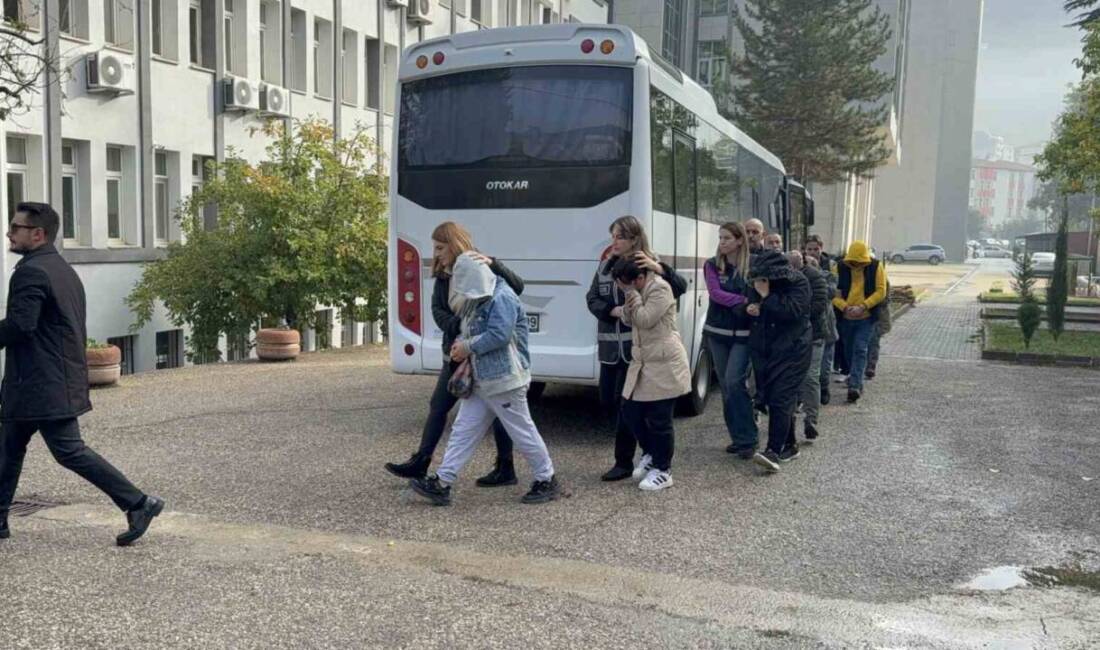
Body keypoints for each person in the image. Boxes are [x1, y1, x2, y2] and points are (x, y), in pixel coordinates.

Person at [0, 202, 164, 546]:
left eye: (16, 228)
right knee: (8, 447)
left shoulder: (31, 272)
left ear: (38, 234)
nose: (9, 233)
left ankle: (138, 502)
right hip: (48, 379)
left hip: (40, 383)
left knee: (69, 451)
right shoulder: (61, 268)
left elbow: (20, 325)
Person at [409, 253, 559, 506]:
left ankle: (547, 478)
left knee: (521, 432)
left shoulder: (503, 297)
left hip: (505, 381)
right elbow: (473, 329)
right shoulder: (483, 295)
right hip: (484, 380)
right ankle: (443, 481)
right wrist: (462, 344)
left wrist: (465, 346)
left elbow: (499, 335)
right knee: (463, 430)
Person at [385, 222, 522, 485]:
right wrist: (459, 326)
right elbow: (438, 310)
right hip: (455, 352)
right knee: (439, 406)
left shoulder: (480, 265)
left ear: (454, 244)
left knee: (501, 413)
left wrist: (495, 263)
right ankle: (422, 461)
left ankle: (507, 467)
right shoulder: (443, 274)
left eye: (440, 247)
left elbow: (517, 287)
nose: (436, 253)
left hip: (483, 353)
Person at [586, 216, 687, 482]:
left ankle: (628, 461)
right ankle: (647, 453)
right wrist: (610, 310)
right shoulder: (606, 265)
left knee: (630, 405)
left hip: (640, 349)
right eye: (613, 236)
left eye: (619, 236)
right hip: (611, 345)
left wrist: (660, 268)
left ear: (634, 238)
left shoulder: (649, 265)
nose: (614, 242)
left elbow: (678, 289)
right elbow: (592, 298)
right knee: (610, 402)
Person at [612, 257, 690, 491]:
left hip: (665, 362)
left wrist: (630, 295)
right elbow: (629, 318)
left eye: (628, 284)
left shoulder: (661, 288)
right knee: (630, 410)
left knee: (660, 419)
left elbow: (645, 319)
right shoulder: (635, 289)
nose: (626, 288)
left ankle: (663, 470)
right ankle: (651, 453)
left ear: (640, 277)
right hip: (643, 361)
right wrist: (629, 299)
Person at [745, 250, 812, 473]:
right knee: (776, 397)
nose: (761, 282)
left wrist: (766, 297)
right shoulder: (757, 282)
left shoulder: (799, 282)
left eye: (765, 278)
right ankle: (790, 445)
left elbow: (792, 311)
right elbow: (749, 303)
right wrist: (751, 307)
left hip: (794, 349)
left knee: (781, 398)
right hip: (767, 349)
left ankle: (772, 451)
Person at [702, 222, 758, 459]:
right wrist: (744, 301)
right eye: (720, 237)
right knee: (726, 387)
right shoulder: (712, 265)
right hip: (718, 332)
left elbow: (759, 293)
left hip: (744, 336)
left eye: (727, 238)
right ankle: (738, 437)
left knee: (735, 382)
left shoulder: (754, 265)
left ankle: (749, 437)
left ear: (739, 240)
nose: (722, 242)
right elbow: (716, 294)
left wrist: (749, 301)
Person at [833, 240, 887, 403]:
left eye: (859, 262)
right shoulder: (839, 268)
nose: (856, 265)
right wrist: (845, 307)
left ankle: (854, 386)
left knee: (860, 349)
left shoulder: (876, 266)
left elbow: (881, 290)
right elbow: (833, 292)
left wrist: (864, 306)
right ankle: (855, 378)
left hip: (867, 318)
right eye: (853, 262)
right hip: (846, 318)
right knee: (849, 351)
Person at [788, 251, 828, 442]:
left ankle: (811, 420)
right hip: (789, 337)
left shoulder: (815, 277)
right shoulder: (782, 275)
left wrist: (792, 312)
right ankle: (789, 420)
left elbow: (818, 305)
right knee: (790, 380)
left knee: (811, 378)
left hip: (813, 335)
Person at [803, 235, 838, 405]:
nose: (812, 252)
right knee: (811, 370)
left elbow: (831, 292)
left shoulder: (830, 268)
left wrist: (816, 275)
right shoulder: (801, 269)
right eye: (809, 249)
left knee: (824, 368)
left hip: (827, 324)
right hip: (808, 327)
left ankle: (824, 386)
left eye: (815, 249)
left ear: (821, 248)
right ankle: (810, 395)